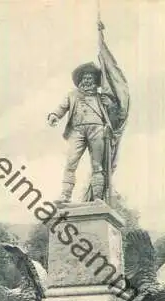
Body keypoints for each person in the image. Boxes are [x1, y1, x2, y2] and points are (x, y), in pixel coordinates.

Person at [48, 62, 118, 203]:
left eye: (90, 77)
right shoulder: (71, 95)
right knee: (70, 163)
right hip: (76, 131)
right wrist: (53, 115)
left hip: (97, 130)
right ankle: (65, 195)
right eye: (85, 77)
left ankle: (98, 197)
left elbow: (115, 116)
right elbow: (61, 108)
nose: (87, 80)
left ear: (95, 80)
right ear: (80, 80)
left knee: (97, 165)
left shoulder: (101, 97)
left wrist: (110, 106)